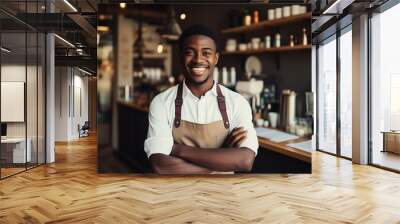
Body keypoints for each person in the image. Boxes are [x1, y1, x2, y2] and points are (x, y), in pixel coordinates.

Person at [144, 24, 258, 174]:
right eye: (190, 52)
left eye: (206, 53)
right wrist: (222, 162)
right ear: (181, 57)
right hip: (176, 193)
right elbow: (161, 166)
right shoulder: (161, 103)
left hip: (223, 194)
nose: (198, 59)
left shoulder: (237, 103)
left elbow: (245, 160)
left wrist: (177, 150)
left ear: (216, 58)